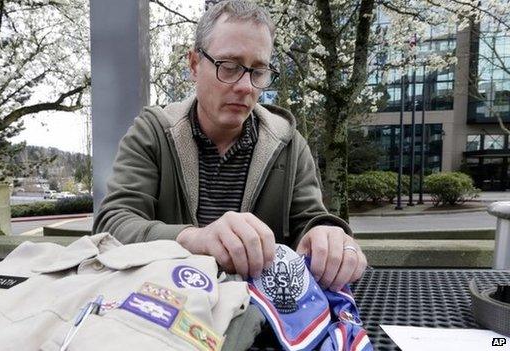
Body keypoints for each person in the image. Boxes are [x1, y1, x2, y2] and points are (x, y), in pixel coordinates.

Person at [94, 0, 366, 293]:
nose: (246, 87)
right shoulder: (153, 133)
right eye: (230, 66)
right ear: (195, 65)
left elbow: (308, 220)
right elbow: (113, 225)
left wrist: (327, 236)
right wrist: (194, 239)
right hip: (164, 308)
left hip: (264, 324)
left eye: (258, 71)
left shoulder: (289, 144)